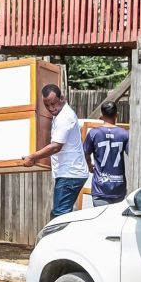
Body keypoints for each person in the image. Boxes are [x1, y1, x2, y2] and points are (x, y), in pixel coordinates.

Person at [23, 84, 89, 219]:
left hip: (70, 174)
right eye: (47, 105)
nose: (51, 108)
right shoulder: (59, 114)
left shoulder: (65, 117)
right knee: (60, 214)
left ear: (62, 98)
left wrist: (33, 157)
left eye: (53, 104)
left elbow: (56, 147)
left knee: (59, 216)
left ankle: (60, 240)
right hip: (70, 173)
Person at [83, 101, 130, 207]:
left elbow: (86, 153)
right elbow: (132, 154)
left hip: (100, 187)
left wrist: (90, 166)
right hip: (119, 187)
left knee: (101, 222)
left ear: (102, 116)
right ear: (117, 115)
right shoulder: (124, 134)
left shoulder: (94, 133)